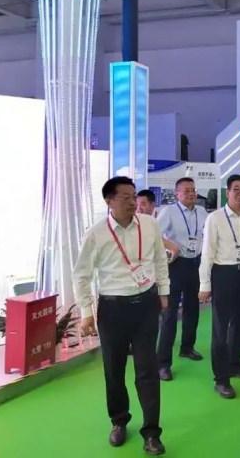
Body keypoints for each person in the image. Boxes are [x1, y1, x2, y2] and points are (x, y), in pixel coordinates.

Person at [73, 176, 169, 455]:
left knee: (147, 370)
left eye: (134, 196)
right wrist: (86, 313)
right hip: (112, 309)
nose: (132, 202)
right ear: (109, 201)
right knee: (114, 370)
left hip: (146, 305)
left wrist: (163, 292)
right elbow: (81, 275)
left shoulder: (149, 224)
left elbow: (159, 259)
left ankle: (151, 433)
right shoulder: (96, 233)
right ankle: (119, 421)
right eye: (125, 197)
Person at [198, 173, 240, 399]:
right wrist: (205, 284)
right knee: (221, 328)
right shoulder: (215, 218)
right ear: (227, 192)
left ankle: (236, 363)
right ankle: (221, 379)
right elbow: (207, 253)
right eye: (236, 189)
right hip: (224, 274)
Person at [156, 177, 208, 381]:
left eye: (193, 190)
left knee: (192, 309)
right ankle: (163, 364)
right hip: (176, 266)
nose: (191, 193)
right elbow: (154, 234)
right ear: (177, 194)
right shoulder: (169, 212)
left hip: (196, 264)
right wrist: (172, 246)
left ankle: (187, 348)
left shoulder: (202, 212)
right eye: (186, 190)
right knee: (170, 315)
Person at [137, 189, 180, 261]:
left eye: (143, 204)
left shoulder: (155, 222)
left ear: (152, 205)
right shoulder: (132, 222)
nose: (139, 209)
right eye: (136, 205)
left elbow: (174, 249)